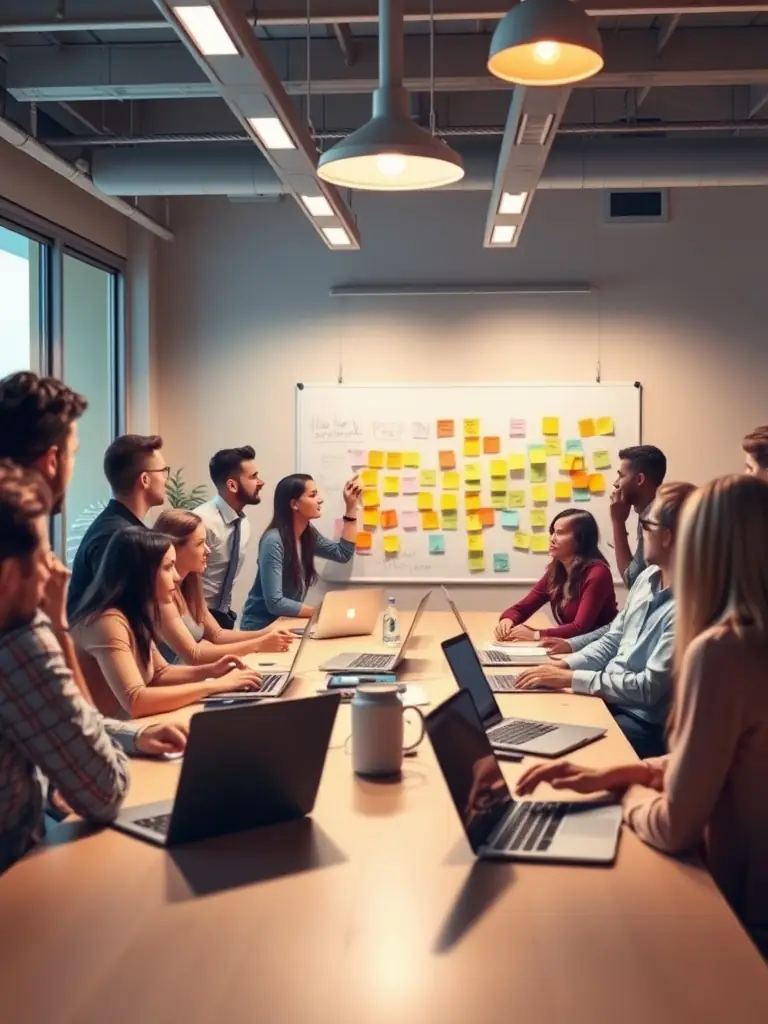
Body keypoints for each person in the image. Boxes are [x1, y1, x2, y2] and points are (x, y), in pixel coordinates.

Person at [516, 475, 768, 959]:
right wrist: (625, 770)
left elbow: (675, 826)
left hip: (744, 919)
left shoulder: (722, 651)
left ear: (700, 542)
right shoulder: (749, 639)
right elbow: (734, 763)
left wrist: (623, 793)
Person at [0, 462, 185, 876]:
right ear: (10, 575)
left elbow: (46, 725)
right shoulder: (19, 646)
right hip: (19, 881)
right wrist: (54, 626)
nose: (54, 570)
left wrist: (133, 737)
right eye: (43, 555)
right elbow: (105, 790)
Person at [515, 482, 696, 759]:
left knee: (563, 755)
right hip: (609, 699)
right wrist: (561, 665)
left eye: (646, 527)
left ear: (668, 536)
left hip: (643, 723)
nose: (640, 535)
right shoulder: (647, 579)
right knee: (534, 724)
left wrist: (570, 677)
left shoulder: (689, 605)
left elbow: (647, 689)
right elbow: (613, 638)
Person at [71, 528, 261, 719]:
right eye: (168, 567)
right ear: (141, 573)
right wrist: (217, 685)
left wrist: (212, 671)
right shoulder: (107, 621)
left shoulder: (134, 613)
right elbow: (136, 701)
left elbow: (160, 674)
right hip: (100, 739)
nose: (177, 577)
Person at [154, 508, 296, 664]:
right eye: (200, 544)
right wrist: (258, 644)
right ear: (174, 548)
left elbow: (217, 635)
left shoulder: (191, 583)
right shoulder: (162, 594)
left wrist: (265, 633)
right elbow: (195, 654)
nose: (208, 550)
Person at [67, 433, 169, 617]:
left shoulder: (121, 526)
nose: (165, 479)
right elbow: (120, 618)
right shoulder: (117, 536)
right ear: (145, 479)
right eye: (163, 471)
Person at [241, 473, 360, 631]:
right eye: (313, 495)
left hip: (285, 626)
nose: (320, 499)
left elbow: (342, 553)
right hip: (261, 630)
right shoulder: (274, 541)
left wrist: (351, 507)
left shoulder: (307, 534)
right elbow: (275, 603)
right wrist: (321, 612)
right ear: (295, 504)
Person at [494, 509, 617, 643]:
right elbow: (522, 608)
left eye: (559, 533)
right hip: (572, 647)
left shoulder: (598, 573)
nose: (552, 539)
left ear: (580, 539)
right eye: (552, 532)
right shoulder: (557, 571)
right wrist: (508, 620)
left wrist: (536, 635)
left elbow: (580, 628)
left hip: (600, 649)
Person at [194, 446, 263, 630]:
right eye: (253, 477)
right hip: (195, 618)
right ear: (232, 485)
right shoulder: (201, 521)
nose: (260, 482)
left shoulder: (243, 523)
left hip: (223, 617)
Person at [610, 445, 667, 589]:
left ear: (640, 479)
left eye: (621, 476)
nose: (616, 483)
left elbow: (633, 581)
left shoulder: (656, 518)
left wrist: (618, 522)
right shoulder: (650, 511)